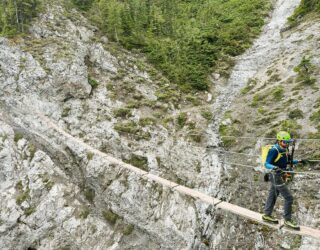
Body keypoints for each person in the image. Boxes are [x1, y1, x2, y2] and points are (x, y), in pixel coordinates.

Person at [262, 131, 305, 230]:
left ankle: (267, 215)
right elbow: (266, 163)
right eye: (285, 142)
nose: (287, 144)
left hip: (279, 175)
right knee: (289, 198)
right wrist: (274, 167)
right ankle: (287, 220)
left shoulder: (284, 149)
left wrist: (298, 161)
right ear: (279, 141)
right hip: (275, 175)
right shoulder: (274, 150)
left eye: (288, 142)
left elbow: (286, 162)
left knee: (273, 194)